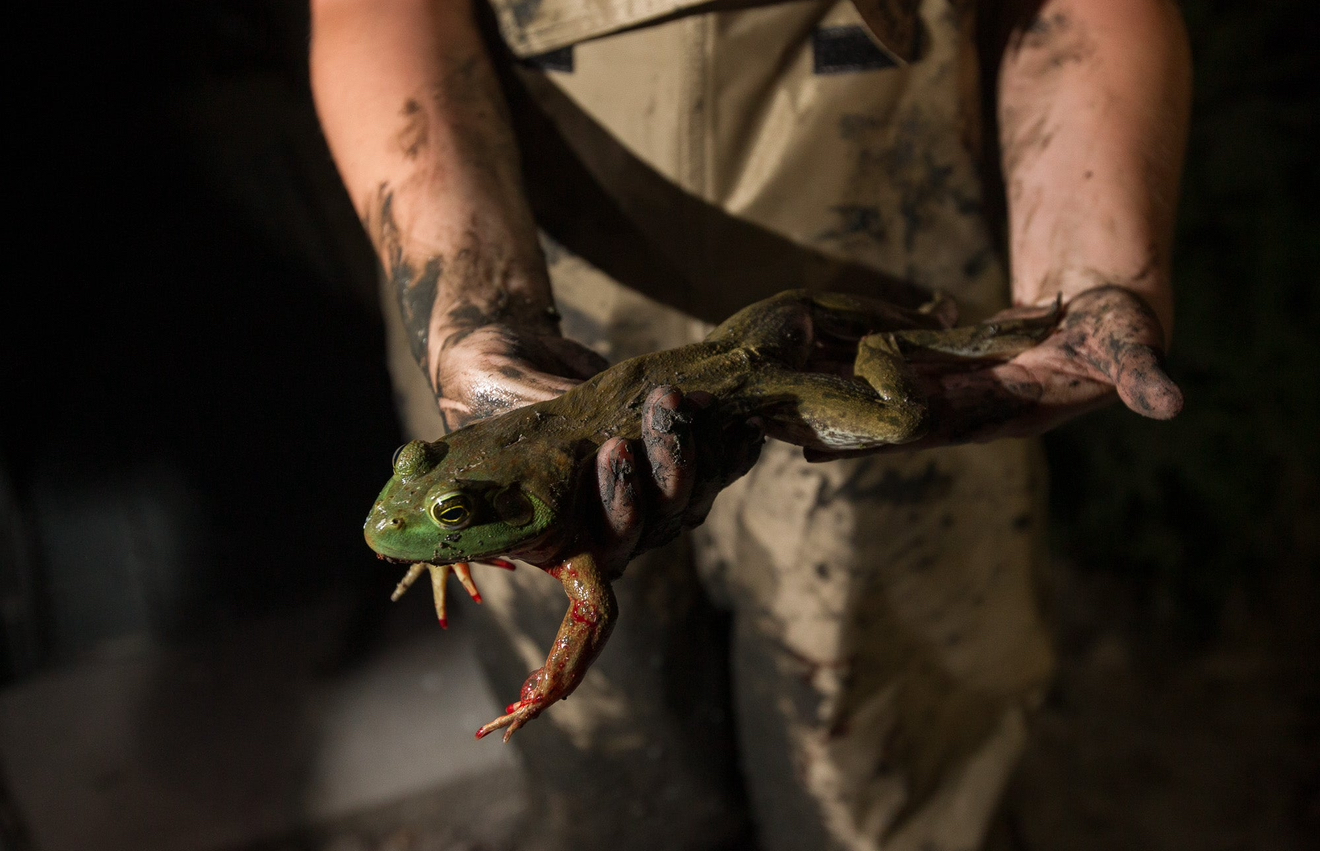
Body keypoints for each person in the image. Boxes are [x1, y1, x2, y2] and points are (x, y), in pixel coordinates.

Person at [310, 0, 1189, 848]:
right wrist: (469, 313)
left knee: (887, 778)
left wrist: (1092, 259)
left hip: (866, 279)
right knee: (618, 791)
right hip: (518, 301)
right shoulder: (490, 453)